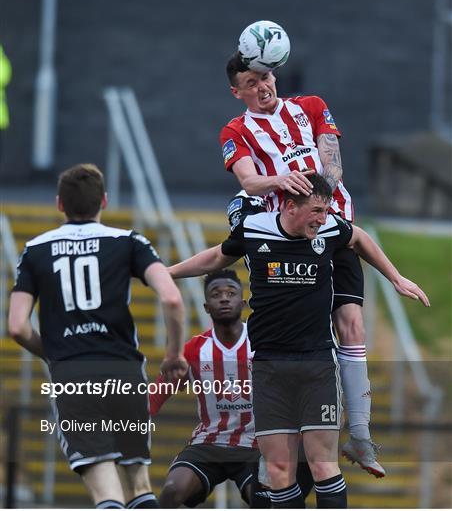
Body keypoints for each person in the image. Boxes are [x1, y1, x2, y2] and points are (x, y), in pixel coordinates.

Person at [168, 173, 430, 508]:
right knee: (278, 471)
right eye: (317, 211)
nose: (323, 220)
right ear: (291, 206)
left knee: (322, 464)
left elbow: (360, 238)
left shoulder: (330, 230)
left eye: (326, 212)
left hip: (316, 365)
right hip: (268, 369)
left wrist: (395, 278)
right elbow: (218, 256)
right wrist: (169, 272)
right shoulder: (254, 228)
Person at [220, 51, 385, 477]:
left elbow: (333, 165)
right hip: (287, 243)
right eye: (251, 84)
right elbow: (248, 181)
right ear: (237, 92)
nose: (262, 88)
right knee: (287, 334)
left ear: (274, 74)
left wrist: (318, 201)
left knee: (352, 325)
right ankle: (272, 448)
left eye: (265, 77)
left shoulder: (311, 106)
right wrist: (277, 181)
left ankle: (362, 438)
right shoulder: (236, 130)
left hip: (332, 230)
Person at [8, 163, 188, 509]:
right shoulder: (129, 241)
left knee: (107, 494)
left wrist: (51, 352)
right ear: (103, 201)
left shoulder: (36, 250)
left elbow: (16, 326)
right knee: (139, 485)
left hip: (73, 372)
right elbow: (171, 297)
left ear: (59, 204)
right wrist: (173, 354)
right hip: (124, 370)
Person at [151, 269, 313, 508]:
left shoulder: (265, 343)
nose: (224, 298)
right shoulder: (194, 350)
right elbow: (156, 394)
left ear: (243, 302)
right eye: (216, 294)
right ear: (207, 307)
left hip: (256, 445)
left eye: (231, 293)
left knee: (263, 500)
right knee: (172, 491)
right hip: (208, 443)